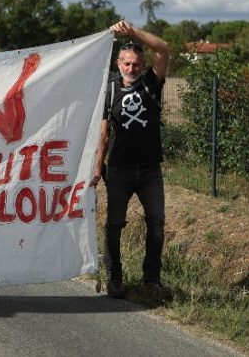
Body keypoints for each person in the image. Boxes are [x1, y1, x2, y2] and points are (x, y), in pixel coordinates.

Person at [91, 19, 170, 299]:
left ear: (142, 64)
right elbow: (102, 134)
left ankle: (151, 279)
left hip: (150, 169)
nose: (131, 68)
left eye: (136, 63)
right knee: (114, 226)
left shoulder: (151, 83)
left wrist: (132, 32)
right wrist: (98, 167)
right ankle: (115, 278)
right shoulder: (109, 90)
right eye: (126, 63)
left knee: (157, 224)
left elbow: (163, 49)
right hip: (119, 170)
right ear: (118, 63)